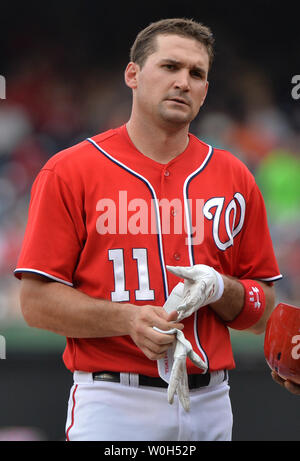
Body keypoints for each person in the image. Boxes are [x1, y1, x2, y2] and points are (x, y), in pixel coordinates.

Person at [14, 18, 282, 441]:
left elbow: (262, 311)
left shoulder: (234, 176)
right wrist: (127, 319)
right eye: (170, 66)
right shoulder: (70, 170)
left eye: (196, 74)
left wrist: (220, 288)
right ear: (133, 75)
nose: (183, 82)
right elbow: (35, 303)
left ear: (206, 91)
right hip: (114, 400)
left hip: (212, 401)